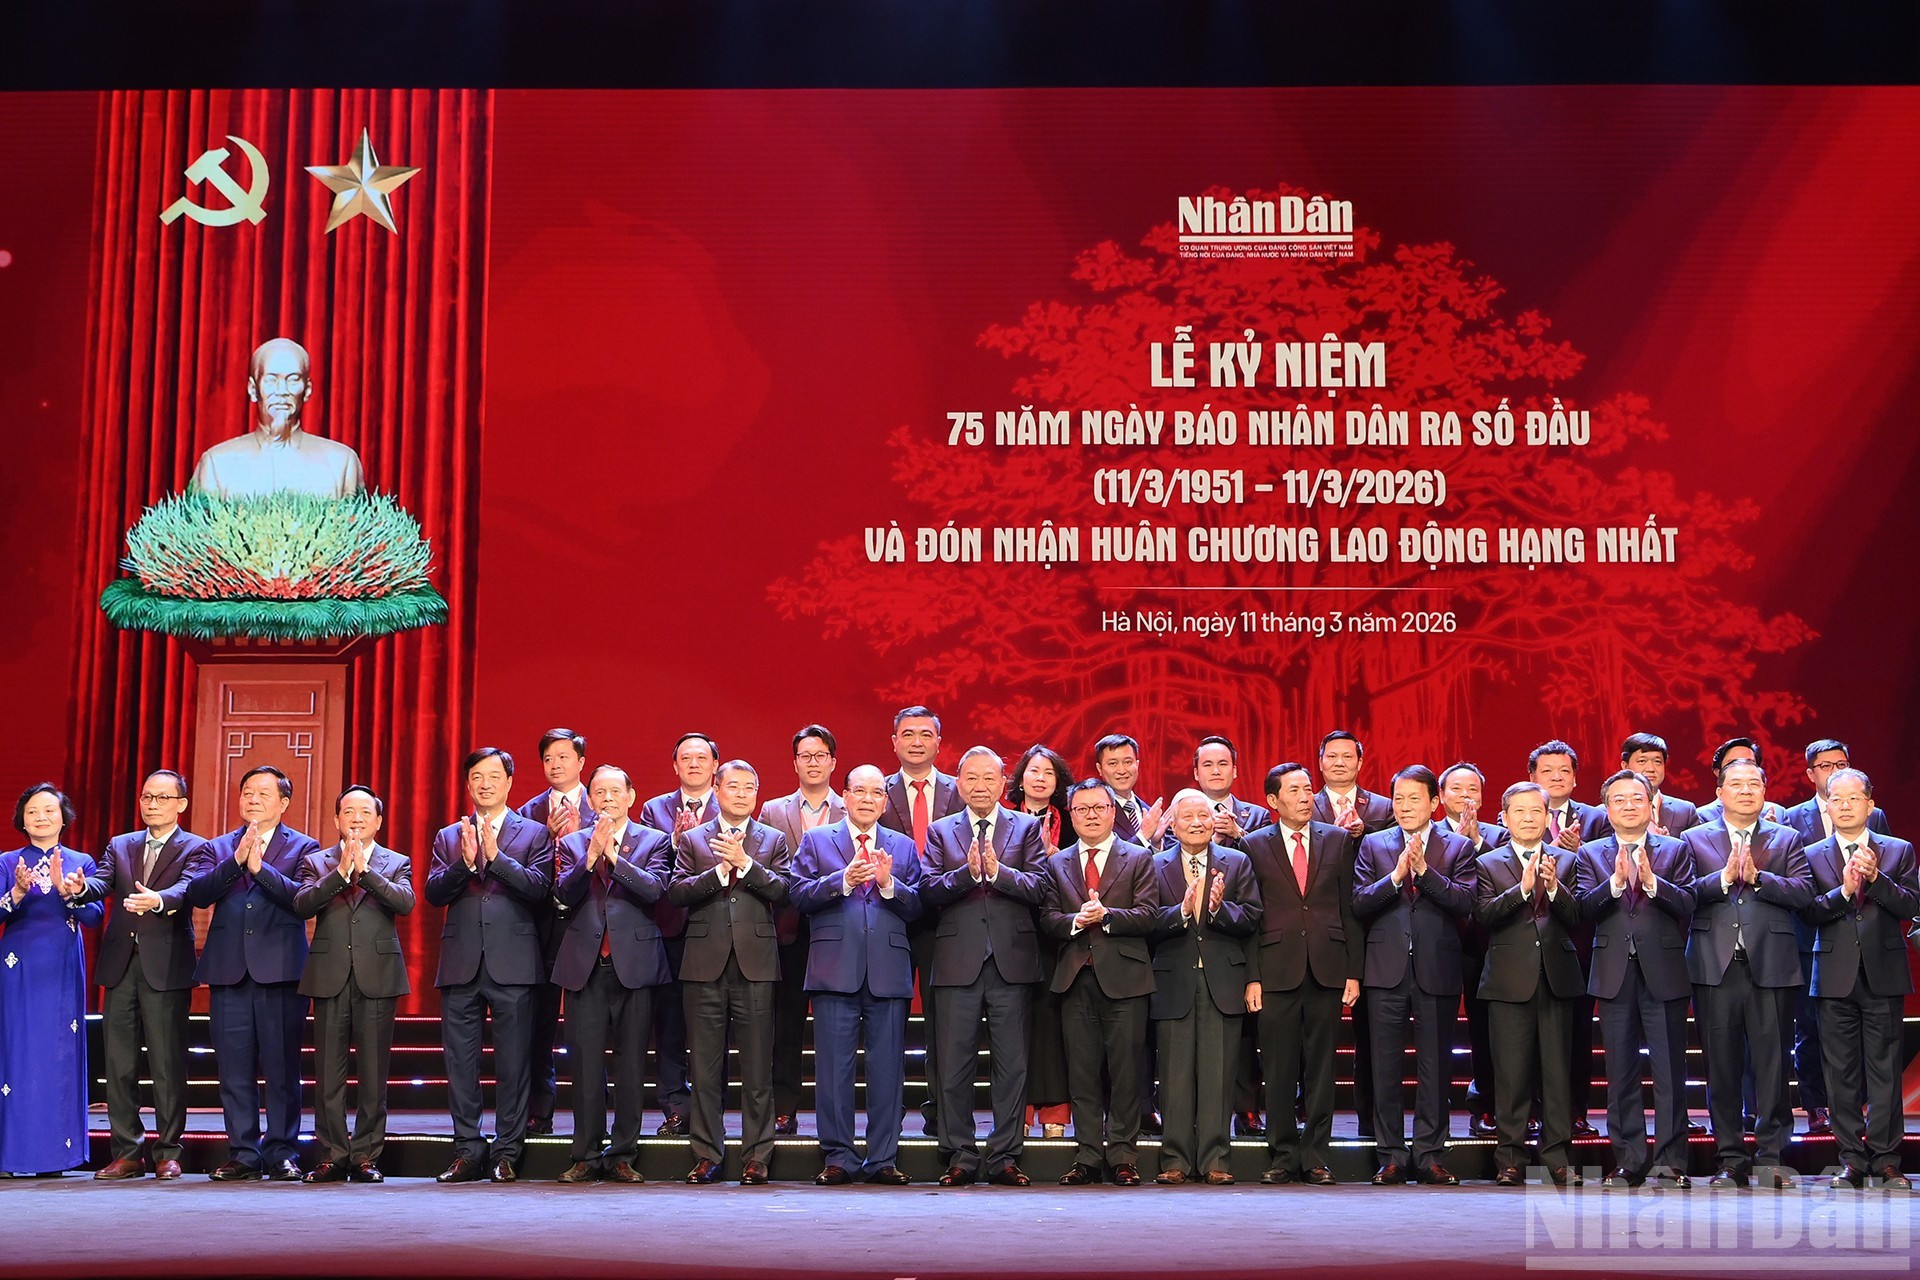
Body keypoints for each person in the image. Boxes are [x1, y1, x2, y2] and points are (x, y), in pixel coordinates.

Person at [921, 745, 1048, 1186]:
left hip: (1012, 961)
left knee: (1011, 1065)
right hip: (958, 961)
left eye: (988, 778)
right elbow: (927, 890)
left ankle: (1005, 1156)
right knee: (953, 1064)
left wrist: (998, 873)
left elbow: (1041, 887)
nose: (979, 786)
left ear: (1002, 783)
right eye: (971, 778)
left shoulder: (1027, 828)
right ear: (959, 783)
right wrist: (967, 875)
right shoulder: (941, 831)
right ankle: (959, 1153)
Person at [425, 747, 554, 1183]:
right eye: (477, 777)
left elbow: (539, 889)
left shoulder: (534, 833)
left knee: (514, 1064)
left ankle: (506, 1152)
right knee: (460, 1063)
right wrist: (464, 863)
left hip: (514, 963)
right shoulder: (448, 835)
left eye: (493, 776)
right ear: (468, 784)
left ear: (509, 782)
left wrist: (497, 858)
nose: (485, 784)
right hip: (461, 962)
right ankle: (466, 1150)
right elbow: (434, 893)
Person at [1682, 758, 1811, 1189]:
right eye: (1735, 784)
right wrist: (1721, 879)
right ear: (1719, 793)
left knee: (1773, 1064)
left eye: (1753, 783)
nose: (1745, 791)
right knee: (1721, 1066)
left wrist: (1760, 878)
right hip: (1714, 964)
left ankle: (1772, 1156)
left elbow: (1805, 893)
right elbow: (1682, 896)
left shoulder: (1788, 838)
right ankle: (1729, 1157)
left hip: (1772, 964)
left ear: (1764, 791)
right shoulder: (1692, 838)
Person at [791, 764, 923, 1186]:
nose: (867, 799)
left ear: (885, 802)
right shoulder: (816, 840)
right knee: (833, 1070)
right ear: (844, 797)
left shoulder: (902, 847)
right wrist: (841, 880)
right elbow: (796, 895)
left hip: (887, 969)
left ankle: (883, 1157)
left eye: (876, 793)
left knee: (888, 1070)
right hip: (834, 970)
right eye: (859, 791)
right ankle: (838, 1156)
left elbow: (918, 904)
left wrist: (889, 885)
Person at [187, 764, 319, 1182]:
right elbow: (199, 894)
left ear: (283, 802)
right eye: (248, 793)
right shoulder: (218, 846)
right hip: (229, 971)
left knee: (282, 1069)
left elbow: (303, 900)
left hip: (280, 971)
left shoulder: (304, 846)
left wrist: (261, 870)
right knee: (234, 1069)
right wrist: (237, 862)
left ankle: (282, 1151)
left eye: (264, 793)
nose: (254, 800)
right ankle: (243, 1152)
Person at [79, 770, 211, 1181]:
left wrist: (159, 900)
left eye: (162, 798)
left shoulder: (197, 847)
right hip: (121, 964)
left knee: (167, 1063)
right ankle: (126, 1152)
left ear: (181, 805)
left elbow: (192, 888)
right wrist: (79, 887)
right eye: (147, 797)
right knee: (118, 1064)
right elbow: (102, 881)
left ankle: (169, 1151)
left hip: (166, 965)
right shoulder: (121, 845)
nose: (152, 804)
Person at [669, 759, 792, 1185]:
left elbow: (784, 890)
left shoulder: (772, 839)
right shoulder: (694, 838)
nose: (741, 793)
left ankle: (757, 1154)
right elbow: (677, 891)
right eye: (733, 786)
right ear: (717, 790)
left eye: (749, 787)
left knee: (758, 1065)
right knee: (704, 1066)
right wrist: (719, 872)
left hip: (756, 962)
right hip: (703, 962)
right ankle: (707, 1153)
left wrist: (747, 864)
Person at [1352, 765, 1475, 1186]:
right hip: (1384, 970)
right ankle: (1390, 1156)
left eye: (1414, 799)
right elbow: (1359, 903)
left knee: (1435, 1068)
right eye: (1399, 799)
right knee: (1384, 1067)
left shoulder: (1457, 846)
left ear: (1434, 802)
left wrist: (1425, 873)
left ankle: (1429, 1155)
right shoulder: (1373, 845)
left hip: (1435, 969)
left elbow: (1465, 902)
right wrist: (1396, 877)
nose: (1405, 807)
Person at [551, 766, 673, 1184]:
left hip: (635, 965)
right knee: (584, 1064)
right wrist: (588, 861)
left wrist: (615, 858)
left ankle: (623, 1153)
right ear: (589, 799)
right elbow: (562, 897)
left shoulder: (653, 841)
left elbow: (655, 891)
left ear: (630, 796)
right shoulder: (571, 844)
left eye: (614, 791)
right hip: (584, 966)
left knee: (631, 1063)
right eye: (598, 791)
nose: (606, 797)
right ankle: (584, 1154)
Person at [1574, 769, 1694, 1189]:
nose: (1629, 806)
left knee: (1669, 1074)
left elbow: (1689, 903)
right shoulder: (1590, 854)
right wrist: (1616, 882)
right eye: (1619, 800)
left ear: (1651, 805)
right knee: (1620, 1072)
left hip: (1664, 973)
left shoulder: (1676, 850)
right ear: (1607, 810)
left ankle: (1672, 1160)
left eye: (1637, 799)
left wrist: (1651, 883)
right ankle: (1628, 1159)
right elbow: (1582, 909)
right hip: (1612, 974)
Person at [1241, 762, 1358, 1186]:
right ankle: (1283, 1154)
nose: (1306, 796)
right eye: (1294, 790)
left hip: (1327, 967)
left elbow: (1348, 909)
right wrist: (1252, 975)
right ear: (1273, 801)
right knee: (1278, 1067)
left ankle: (1316, 1156)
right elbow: (1251, 916)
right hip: (1275, 971)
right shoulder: (1253, 845)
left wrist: (1353, 971)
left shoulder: (1339, 840)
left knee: (1321, 1069)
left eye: (1308, 789)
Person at [1800, 768, 1917, 1190]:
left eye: (1854, 798)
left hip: (1884, 974)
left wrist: (1875, 880)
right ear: (1827, 805)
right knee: (1840, 1072)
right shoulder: (1812, 853)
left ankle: (1887, 1159)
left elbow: (1910, 905)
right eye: (1837, 799)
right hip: (1832, 975)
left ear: (1870, 804)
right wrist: (1846, 891)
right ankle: (1850, 1158)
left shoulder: (1898, 850)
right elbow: (1808, 911)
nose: (1845, 805)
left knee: (1884, 1070)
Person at [1040, 777, 1159, 1186]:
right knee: (1083, 1072)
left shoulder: (1139, 858)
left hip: (1126, 978)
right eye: (1082, 809)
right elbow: (1046, 919)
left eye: (1098, 808)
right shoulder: (1056, 863)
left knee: (1126, 1072)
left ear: (1113, 812)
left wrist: (1106, 915)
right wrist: (1076, 921)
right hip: (1075, 979)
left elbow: (1149, 915)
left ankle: (1124, 1155)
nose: (1091, 815)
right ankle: (1088, 1155)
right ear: (1071, 815)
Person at [292, 785, 414, 1183]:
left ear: (378, 821)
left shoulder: (396, 862)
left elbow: (405, 902)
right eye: (348, 812)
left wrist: (367, 873)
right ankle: (331, 1154)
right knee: (328, 1074)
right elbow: (303, 904)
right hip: (329, 975)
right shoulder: (316, 861)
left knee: (374, 1074)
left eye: (365, 812)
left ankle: (365, 1155)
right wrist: (342, 874)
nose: (356, 818)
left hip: (377, 976)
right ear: (336, 819)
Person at [1777, 737, 1891, 1138]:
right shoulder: (1794, 822)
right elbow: (1800, 894)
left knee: (1873, 1050)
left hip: (1873, 949)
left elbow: (1898, 890)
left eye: (1841, 763)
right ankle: (1818, 1106)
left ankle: (1872, 1131)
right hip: (1813, 940)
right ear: (1811, 775)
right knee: (1811, 1030)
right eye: (1825, 767)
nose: (1835, 773)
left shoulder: (1881, 828)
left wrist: (1875, 882)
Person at [1475, 781, 1585, 1187]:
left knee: (1557, 1075)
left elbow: (1579, 916)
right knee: (1511, 1075)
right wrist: (1521, 890)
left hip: (1557, 978)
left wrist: (1553, 888)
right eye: (1518, 811)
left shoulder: (1568, 861)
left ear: (1547, 817)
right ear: (1504, 818)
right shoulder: (1487, 863)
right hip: (1507, 981)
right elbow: (1483, 915)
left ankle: (1557, 1157)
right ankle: (1511, 1159)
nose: (1527, 818)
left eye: (1536, 811)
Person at [1149, 790, 1260, 1185]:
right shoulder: (1154, 864)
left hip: (1223, 980)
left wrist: (1216, 908)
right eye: (1187, 817)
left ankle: (1216, 1160)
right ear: (1173, 826)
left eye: (1203, 815)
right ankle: (1175, 1160)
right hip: (1172, 978)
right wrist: (1179, 912)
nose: (1196, 822)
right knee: (1175, 1076)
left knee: (1218, 1073)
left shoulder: (1238, 862)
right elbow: (1145, 920)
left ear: (1214, 822)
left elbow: (1252, 917)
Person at [0, 785, 102, 1175]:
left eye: (48, 810)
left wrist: (70, 893)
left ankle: (56, 1156)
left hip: (61, 966)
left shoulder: (82, 861)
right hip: (17, 965)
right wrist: (17, 892)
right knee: (16, 1050)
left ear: (64, 817)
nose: (40, 817)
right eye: (32, 811)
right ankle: (11, 1155)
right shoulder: (8, 862)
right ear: (21, 820)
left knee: (58, 1051)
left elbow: (94, 918)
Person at [877, 705, 962, 1139]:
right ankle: (885, 1117)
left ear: (938, 743)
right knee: (885, 1021)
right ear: (894, 742)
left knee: (941, 1023)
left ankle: (938, 1113)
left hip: (944, 922)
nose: (915, 741)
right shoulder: (876, 790)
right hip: (887, 917)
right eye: (907, 734)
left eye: (925, 734)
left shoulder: (959, 789)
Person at [757, 724, 845, 1136]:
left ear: (832, 761)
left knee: (836, 1024)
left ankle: (835, 1112)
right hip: (788, 928)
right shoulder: (774, 811)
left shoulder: (852, 808)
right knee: (786, 1023)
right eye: (805, 756)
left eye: (820, 755)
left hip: (837, 927)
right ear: (794, 763)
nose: (813, 763)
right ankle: (784, 1108)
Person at [636, 731, 721, 1136]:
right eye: (685, 758)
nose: (693, 763)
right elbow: (647, 863)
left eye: (701, 758)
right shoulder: (655, 810)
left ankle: (709, 1107)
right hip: (669, 928)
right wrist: (675, 842)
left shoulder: (730, 806)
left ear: (714, 765)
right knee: (668, 1023)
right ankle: (674, 1105)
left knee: (710, 1024)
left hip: (715, 929)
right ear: (675, 766)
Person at [1310, 729, 1394, 1138]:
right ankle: (1309, 1121)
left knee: (1369, 1033)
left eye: (1348, 756)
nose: (1340, 762)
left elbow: (1396, 853)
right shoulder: (1302, 804)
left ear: (1361, 762)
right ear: (1320, 762)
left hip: (1370, 924)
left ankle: (1369, 1120)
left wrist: (1362, 835)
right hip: (1318, 925)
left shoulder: (1383, 807)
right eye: (1332, 756)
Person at [516, 727, 595, 1137]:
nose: (556, 765)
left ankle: (593, 1120)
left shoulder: (602, 804)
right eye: (548, 759)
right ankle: (539, 1113)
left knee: (590, 1029)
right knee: (539, 1026)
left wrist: (582, 835)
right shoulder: (527, 814)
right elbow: (523, 871)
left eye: (564, 757)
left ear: (581, 762)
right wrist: (546, 838)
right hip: (542, 928)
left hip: (590, 928)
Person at [1527, 739, 1608, 1139]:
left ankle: (1576, 1111)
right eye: (1547, 771)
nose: (1556, 777)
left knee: (1577, 1032)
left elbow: (1613, 864)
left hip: (1580, 941)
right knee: (1531, 1033)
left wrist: (1583, 851)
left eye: (1564, 771)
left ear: (1575, 778)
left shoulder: (1598, 818)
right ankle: (1531, 1110)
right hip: (1530, 943)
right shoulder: (1522, 812)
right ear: (1533, 778)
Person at [187, 337, 366, 499]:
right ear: (252, 389)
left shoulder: (341, 462)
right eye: (271, 380)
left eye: (293, 379)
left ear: (307, 390)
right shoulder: (217, 464)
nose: (282, 391)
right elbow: (196, 533)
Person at [1010, 743, 1074, 1139]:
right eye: (1033, 771)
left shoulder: (1071, 821)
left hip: (1056, 935)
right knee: (1014, 1027)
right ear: (1020, 779)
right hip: (1012, 932)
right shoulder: (1002, 820)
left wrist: (1057, 859)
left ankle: (1055, 1115)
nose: (1040, 778)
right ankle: (1018, 1113)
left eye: (1048, 773)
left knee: (1052, 1027)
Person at [1437, 761, 1505, 1137]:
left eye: (1473, 790)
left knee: (1486, 1029)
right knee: (1436, 1031)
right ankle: (1436, 1110)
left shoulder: (1499, 836)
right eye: (1458, 789)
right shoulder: (1427, 835)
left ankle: (1488, 1104)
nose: (1466, 797)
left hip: (1484, 944)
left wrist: (1474, 843)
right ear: (1441, 796)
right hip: (1440, 944)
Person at [1093, 733, 1165, 847]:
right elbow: (1106, 859)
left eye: (1127, 762)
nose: (1121, 770)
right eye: (1113, 763)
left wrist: (1156, 844)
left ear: (1137, 765)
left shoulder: (1150, 812)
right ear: (1100, 768)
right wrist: (1143, 837)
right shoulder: (1094, 812)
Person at [1620, 733, 1696, 835]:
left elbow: (1694, 849)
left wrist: (1670, 846)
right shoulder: (1604, 813)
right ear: (1625, 766)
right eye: (1642, 761)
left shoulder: (1685, 812)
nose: (1651, 769)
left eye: (1657, 762)